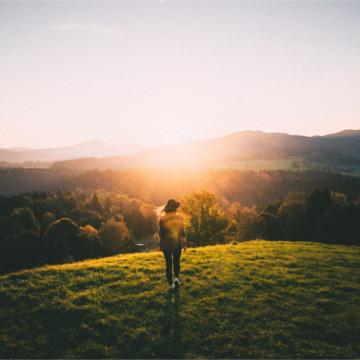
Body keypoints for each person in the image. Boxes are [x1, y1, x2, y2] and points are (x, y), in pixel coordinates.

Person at [159, 199, 187, 290]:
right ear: (175, 209)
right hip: (176, 244)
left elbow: (161, 234)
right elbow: (182, 232)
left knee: (168, 264)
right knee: (176, 262)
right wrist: (184, 243)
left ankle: (171, 284)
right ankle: (176, 279)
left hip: (166, 244)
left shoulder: (162, 219)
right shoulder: (179, 218)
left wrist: (161, 243)